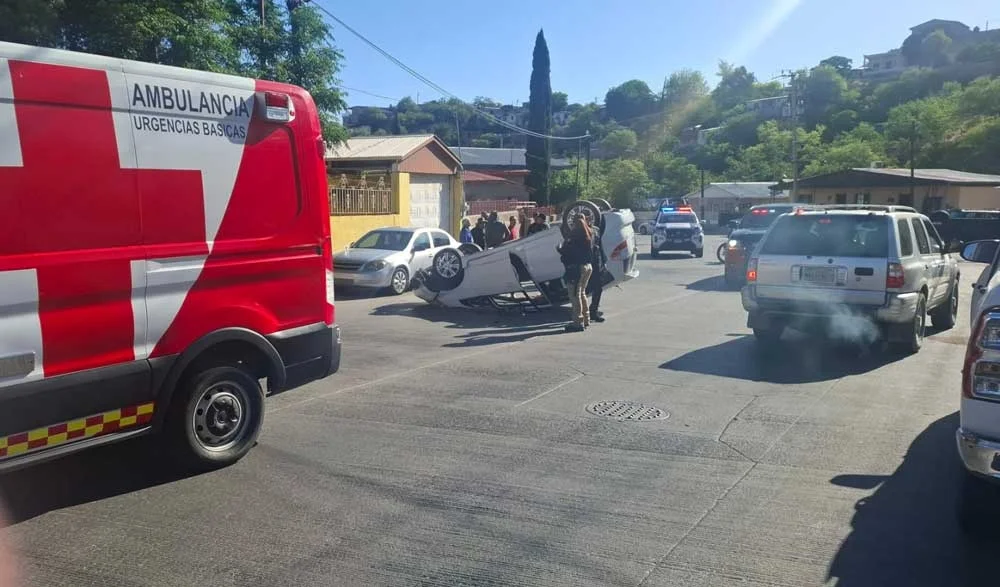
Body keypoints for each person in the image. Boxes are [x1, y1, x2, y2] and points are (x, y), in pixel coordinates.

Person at [558, 215, 593, 332]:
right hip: (587, 266)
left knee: (574, 295)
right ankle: (586, 318)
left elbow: (566, 250)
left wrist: (559, 248)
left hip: (576, 268)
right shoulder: (589, 234)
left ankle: (578, 323)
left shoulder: (575, 236)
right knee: (582, 292)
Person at [587, 218, 608, 323]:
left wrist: (604, 260)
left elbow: (600, 245)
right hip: (586, 263)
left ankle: (593, 311)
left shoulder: (596, 230)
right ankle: (583, 313)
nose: (589, 220)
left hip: (597, 262)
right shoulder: (579, 230)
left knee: (598, 289)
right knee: (583, 290)